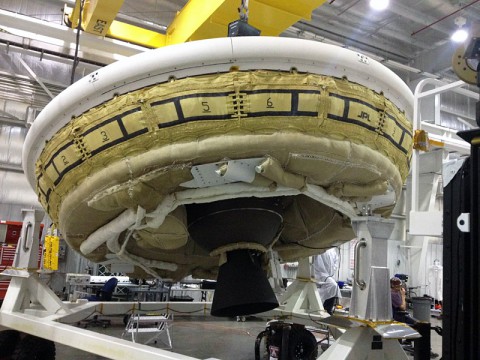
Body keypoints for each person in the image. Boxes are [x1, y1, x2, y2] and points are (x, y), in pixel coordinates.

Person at [313, 248, 341, 315]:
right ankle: (326, 310)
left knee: (334, 287)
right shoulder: (319, 248)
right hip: (319, 274)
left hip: (328, 275)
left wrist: (330, 273)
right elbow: (316, 264)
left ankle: (327, 310)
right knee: (333, 286)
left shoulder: (332, 250)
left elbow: (335, 262)